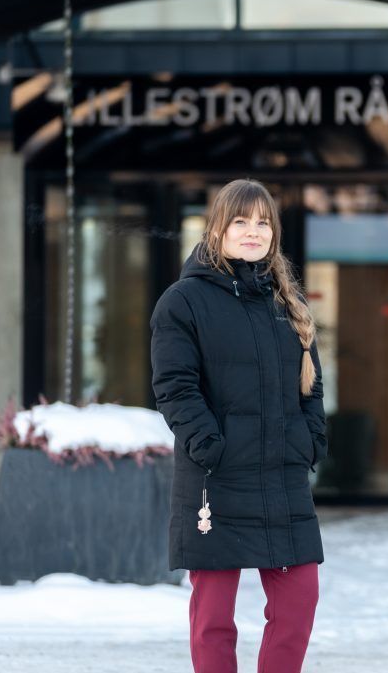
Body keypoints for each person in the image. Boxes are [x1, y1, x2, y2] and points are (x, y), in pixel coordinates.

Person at [151, 178, 328, 673]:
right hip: (217, 479)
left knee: (298, 606)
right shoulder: (183, 302)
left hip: (281, 479)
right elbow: (174, 388)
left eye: (263, 222)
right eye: (241, 222)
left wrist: (310, 441)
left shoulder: (286, 304)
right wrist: (212, 446)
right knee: (214, 621)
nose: (254, 232)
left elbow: (310, 388)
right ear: (218, 229)